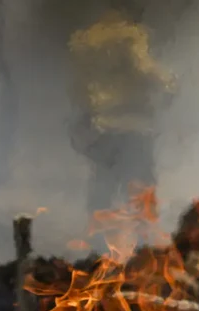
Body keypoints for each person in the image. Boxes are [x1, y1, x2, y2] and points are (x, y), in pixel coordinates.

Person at [67, 5, 175, 214]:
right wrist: (169, 85)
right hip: (134, 126)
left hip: (102, 125)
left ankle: (97, 226)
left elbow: (78, 88)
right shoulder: (129, 37)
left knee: (103, 180)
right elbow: (148, 72)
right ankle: (142, 228)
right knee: (139, 183)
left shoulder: (86, 41)